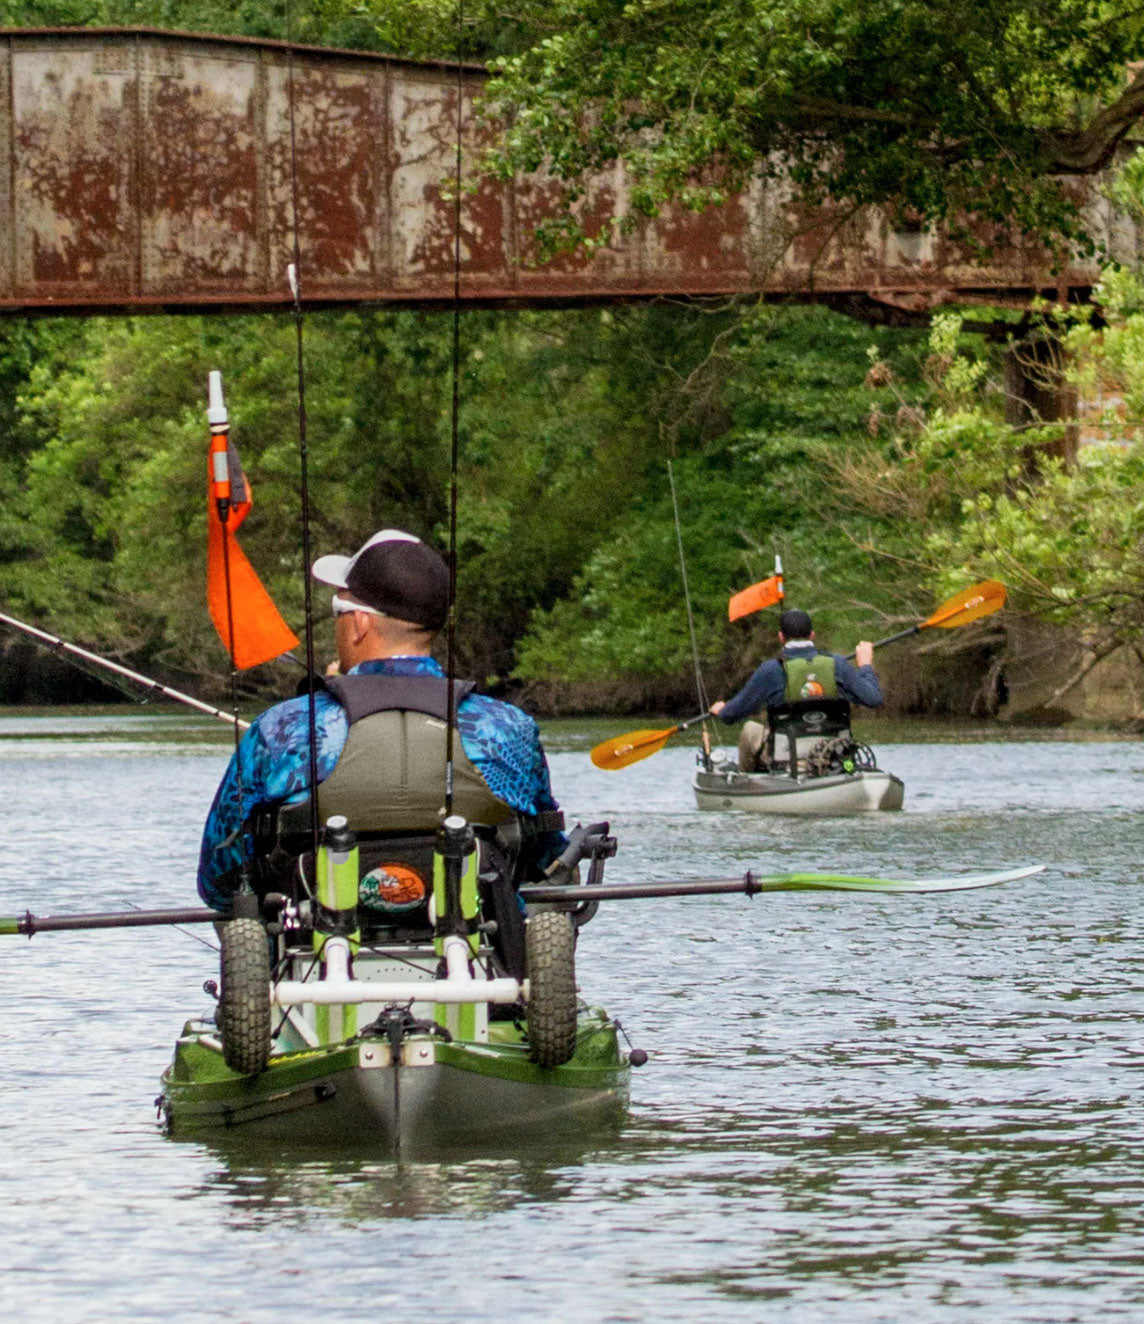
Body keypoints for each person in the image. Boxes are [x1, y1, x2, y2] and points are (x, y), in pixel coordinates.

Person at [197, 529, 564, 912]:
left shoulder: (282, 728)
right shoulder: (508, 728)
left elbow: (218, 877)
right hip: (478, 936)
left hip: (312, 941)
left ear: (360, 623)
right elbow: (545, 856)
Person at [709, 607, 883, 773]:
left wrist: (722, 710)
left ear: (781, 637)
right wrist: (865, 665)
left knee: (749, 729)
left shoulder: (770, 670)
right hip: (833, 754)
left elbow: (731, 715)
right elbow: (874, 698)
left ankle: (749, 783)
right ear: (812, 635)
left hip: (786, 758)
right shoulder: (836, 664)